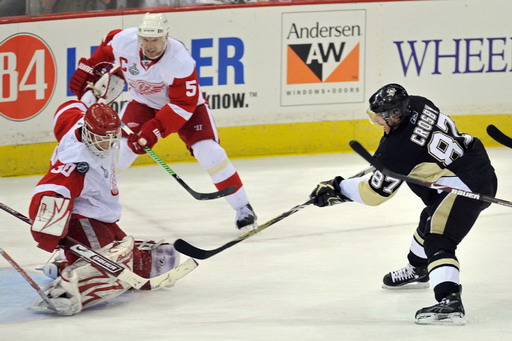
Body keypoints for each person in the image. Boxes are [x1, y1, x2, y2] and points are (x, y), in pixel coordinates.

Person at [309, 83, 497, 325]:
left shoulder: (397, 149)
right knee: (427, 219)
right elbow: (419, 148)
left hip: (464, 187)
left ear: (395, 114)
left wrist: (338, 188)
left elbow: (375, 193)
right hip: (472, 163)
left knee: (438, 238)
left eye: (380, 117)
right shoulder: (419, 103)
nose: (377, 122)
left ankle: (449, 300)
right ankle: (419, 268)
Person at [69, 12, 257, 231]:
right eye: (146, 39)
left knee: (209, 151)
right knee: (118, 152)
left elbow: (181, 105)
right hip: (143, 103)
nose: (150, 45)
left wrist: (153, 131)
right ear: (139, 37)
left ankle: (243, 207)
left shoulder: (180, 61)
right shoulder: (124, 41)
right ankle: (87, 201)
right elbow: (105, 48)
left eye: (155, 39)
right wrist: (89, 70)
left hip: (187, 108)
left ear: (166, 37)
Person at [28, 66, 179, 315]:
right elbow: (50, 189)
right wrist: (49, 231)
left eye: (111, 137)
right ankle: (65, 287)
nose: (106, 144)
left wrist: (91, 96)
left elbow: (66, 110)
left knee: (135, 257)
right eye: (100, 138)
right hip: (82, 217)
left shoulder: (80, 122)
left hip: (100, 215)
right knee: (110, 265)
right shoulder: (77, 161)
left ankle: (64, 262)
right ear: (88, 133)